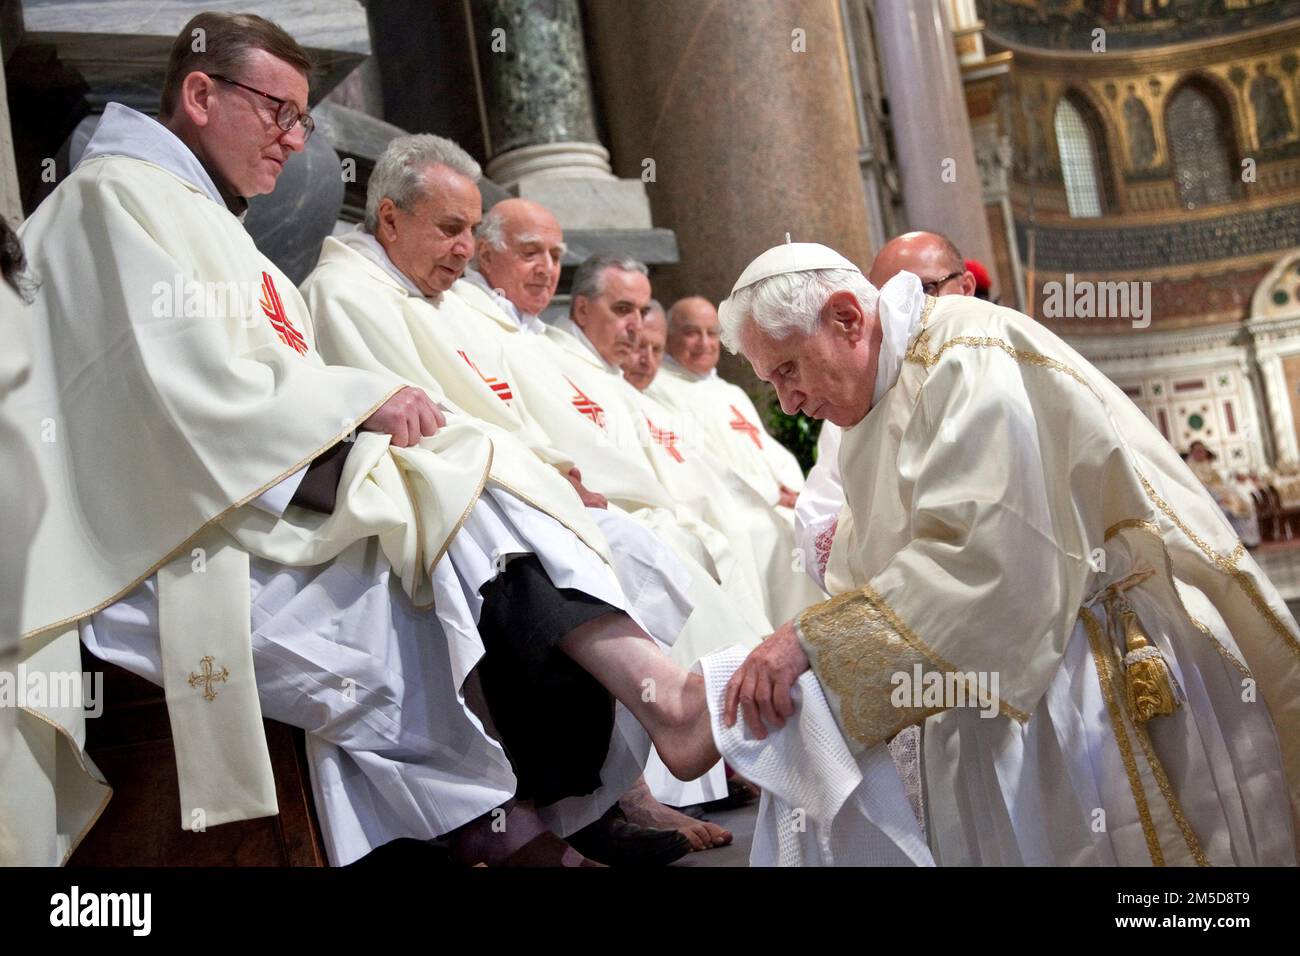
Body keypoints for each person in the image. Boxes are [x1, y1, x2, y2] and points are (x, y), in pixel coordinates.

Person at [4, 12, 717, 867]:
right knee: (433, 561)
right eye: (280, 113)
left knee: (460, 518)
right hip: (162, 534)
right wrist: (359, 406)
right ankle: (543, 808)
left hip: (247, 487)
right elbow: (172, 392)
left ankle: (539, 811)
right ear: (200, 93)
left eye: (303, 119)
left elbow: (252, 384)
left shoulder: (217, 228)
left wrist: (348, 417)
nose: (294, 141)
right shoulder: (113, 197)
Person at [717, 240, 1300, 865]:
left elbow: (986, 559)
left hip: (1082, 669)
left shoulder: (968, 356)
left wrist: (809, 641)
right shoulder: (885, 388)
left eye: (787, 371)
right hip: (994, 678)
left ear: (847, 318)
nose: (787, 402)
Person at [300, 141, 736, 849]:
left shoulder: (420, 297)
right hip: (405, 499)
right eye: (451, 228)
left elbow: (480, 412)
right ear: (388, 219)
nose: (466, 250)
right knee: (534, 543)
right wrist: (532, 469)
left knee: (618, 538)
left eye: (472, 230)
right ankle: (631, 752)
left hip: (476, 477)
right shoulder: (344, 291)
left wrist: (545, 465)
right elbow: (410, 424)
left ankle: (606, 793)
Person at [795, 230, 978, 591]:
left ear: (967, 287)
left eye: (923, 290)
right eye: (885, 298)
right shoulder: (857, 396)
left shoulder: (994, 357)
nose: (904, 308)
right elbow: (817, 513)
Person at [625, 299, 825, 625]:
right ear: (671, 338)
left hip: (775, 498)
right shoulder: (658, 388)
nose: (704, 343)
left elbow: (768, 448)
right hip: (732, 503)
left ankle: (812, 634)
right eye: (692, 333)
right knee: (768, 535)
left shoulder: (732, 392)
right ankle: (775, 635)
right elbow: (702, 462)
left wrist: (798, 490)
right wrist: (773, 494)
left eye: (712, 333)